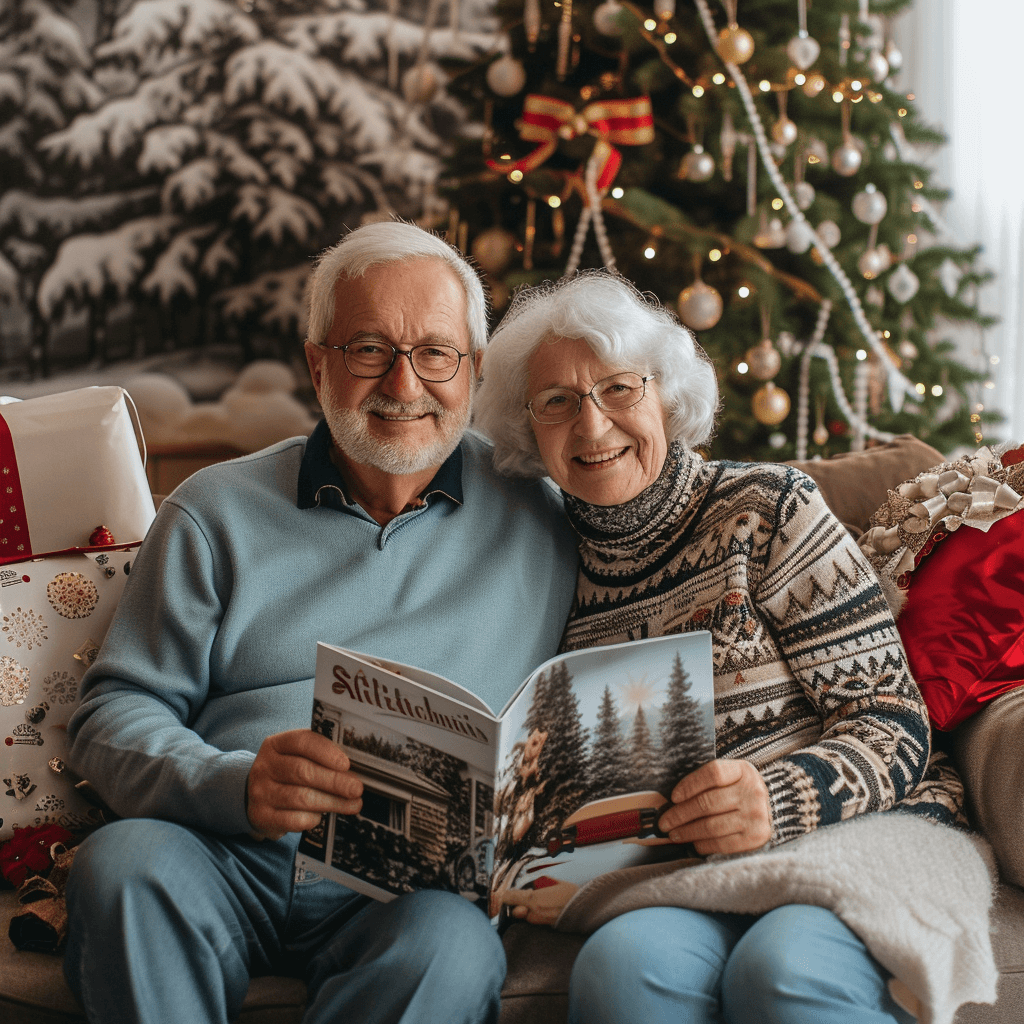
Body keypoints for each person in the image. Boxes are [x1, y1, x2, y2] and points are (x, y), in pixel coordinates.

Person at [62, 222, 579, 1024]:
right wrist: (235, 785)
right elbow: (113, 715)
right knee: (121, 864)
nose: (405, 385)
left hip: (406, 886)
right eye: (369, 348)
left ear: (475, 370)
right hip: (223, 851)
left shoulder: (550, 520)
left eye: (436, 353)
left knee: (452, 946)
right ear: (317, 363)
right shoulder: (214, 510)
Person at [473, 271, 969, 1024]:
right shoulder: (545, 566)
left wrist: (779, 796)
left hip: (851, 832)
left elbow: (893, 722)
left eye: (618, 389)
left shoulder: (768, 510)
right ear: (528, 430)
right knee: (620, 970)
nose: (594, 425)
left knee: (782, 974)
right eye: (557, 402)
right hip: (679, 868)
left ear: (666, 397)